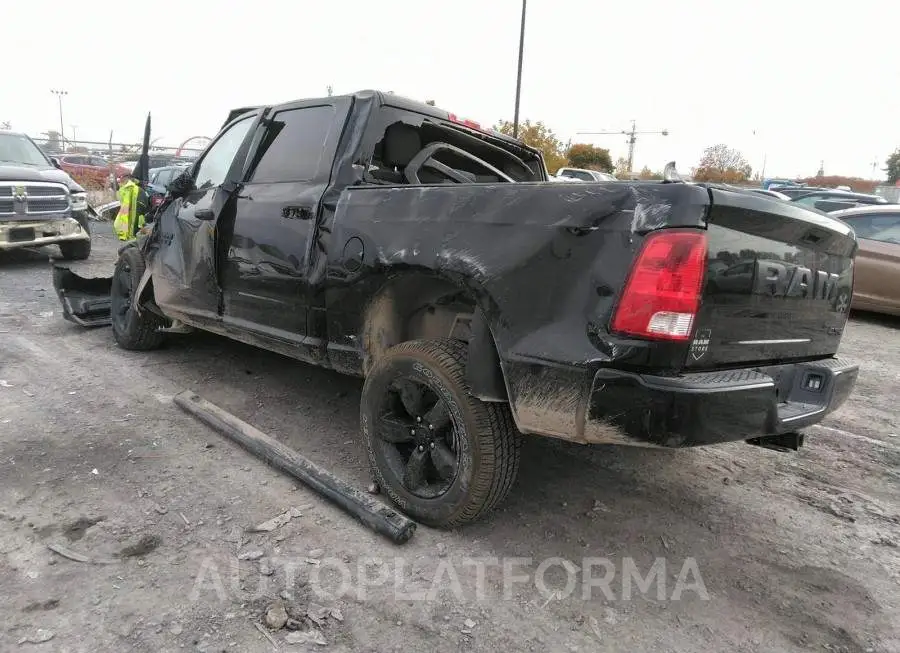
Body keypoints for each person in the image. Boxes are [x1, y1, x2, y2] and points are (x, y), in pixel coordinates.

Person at [113, 172, 145, 241]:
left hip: (138, 200)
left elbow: (126, 206)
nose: (120, 179)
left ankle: (131, 236)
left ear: (125, 178)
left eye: (121, 177)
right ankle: (131, 235)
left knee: (133, 219)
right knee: (135, 219)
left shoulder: (128, 186)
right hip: (139, 199)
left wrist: (123, 235)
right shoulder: (126, 186)